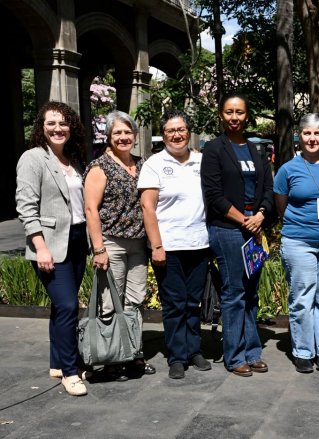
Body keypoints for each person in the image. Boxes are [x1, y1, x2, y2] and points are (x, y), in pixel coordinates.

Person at [16, 102, 89, 396]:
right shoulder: (33, 158)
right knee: (69, 305)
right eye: (51, 123)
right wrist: (40, 246)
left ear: (71, 127)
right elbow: (25, 206)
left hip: (78, 239)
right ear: (41, 127)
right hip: (50, 244)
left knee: (61, 307)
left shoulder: (73, 159)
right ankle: (70, 373)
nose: (58, 128)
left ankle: (57, 362)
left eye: (63, 123)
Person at [200, 92, 274, 377]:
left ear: (247, 115)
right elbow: (214, 195)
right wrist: (244, 219)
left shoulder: (256, 150)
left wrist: (261, 215)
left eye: (240, 112)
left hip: (253, 230)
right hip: (228, 229)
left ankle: (252, 351)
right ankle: (234, 356)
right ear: (221, 114)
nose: (235, 117)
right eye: (229, 112)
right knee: (234, 293)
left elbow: (266, 187)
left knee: (252, 293)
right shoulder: (214, 149)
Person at [138, 108, 212, 379]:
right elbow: (148, 208)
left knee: (193, 302)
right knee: (174, 302)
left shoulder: (204, 161)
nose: (177, 135)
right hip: (168, 246)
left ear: (189, 133)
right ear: (164, 134)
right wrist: (156, 246)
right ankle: (177, 356)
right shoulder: (154, 164)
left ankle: (194, 350)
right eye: (171, 130)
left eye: (181, 130)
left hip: (199, 244)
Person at [84, 110, 154, 381]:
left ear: (135, 136)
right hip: (111, 243)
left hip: (139, 244)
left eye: (128, 132)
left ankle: (133, 354)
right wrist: (98, 248)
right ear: (109, 137)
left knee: (135, 300)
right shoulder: (100, 167)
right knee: (110, 301)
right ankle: (112, 359)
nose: (123, 137)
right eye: (118, 133)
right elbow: (91, 209)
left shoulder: (143, 164)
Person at [274, 113, 319, 373]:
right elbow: (281, 205)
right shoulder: (288, 169)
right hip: (298, 240)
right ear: (299, 137)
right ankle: (302, 350)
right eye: (307, 133)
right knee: (302, 297)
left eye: (317, 133)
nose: (312, 138)